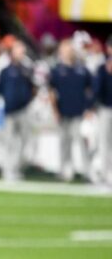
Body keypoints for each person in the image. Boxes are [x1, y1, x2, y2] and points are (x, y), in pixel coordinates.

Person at [48, 39, 94, 182]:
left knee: (81, 142)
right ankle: (65, 170)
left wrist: (88, 108)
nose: (68, 51)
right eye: (65, 49)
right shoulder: (56, 70)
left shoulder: (82, 70)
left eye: (69, 49)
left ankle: (87, 171)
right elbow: (51, 92)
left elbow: (90, 90)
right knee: (64, 142)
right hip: (63, 112)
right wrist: (55, 110)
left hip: (79, 112)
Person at [0, 39, 36, 182]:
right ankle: (8, 170)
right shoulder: (5, 71)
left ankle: (17, 168)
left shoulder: (27, 69)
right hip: (9, 111)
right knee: (9, 142)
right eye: (19, 50)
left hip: (23, 110)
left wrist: (28, 101)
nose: (21, 53)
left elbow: (33, 88)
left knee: (24, 142)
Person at [94, 38, 112, 185]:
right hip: (105, 108)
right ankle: (105, 173)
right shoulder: (102, 67)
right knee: (104, 142)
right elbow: (96, 89)